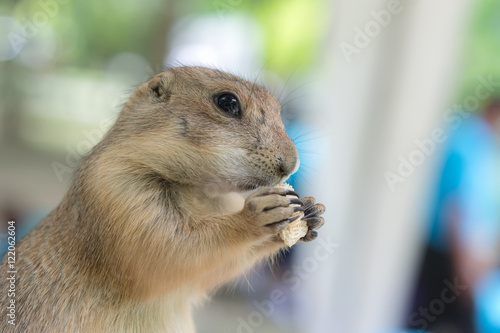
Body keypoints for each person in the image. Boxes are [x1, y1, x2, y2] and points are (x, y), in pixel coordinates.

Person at [409, 99, 500, 332]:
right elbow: (457, 213)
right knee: (443, 321)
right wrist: (467, 278)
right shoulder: (469, 145)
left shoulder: (481, 144)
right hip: (449, 258)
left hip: (460, 259)